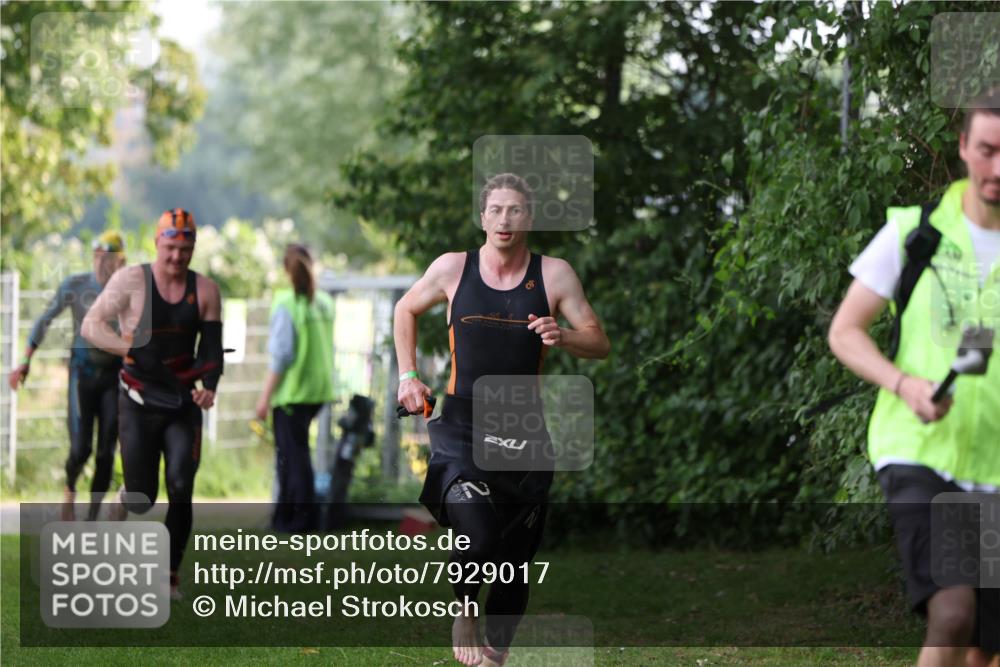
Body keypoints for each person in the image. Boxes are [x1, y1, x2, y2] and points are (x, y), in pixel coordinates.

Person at [395, 173, 610, 667]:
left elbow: (598, 341)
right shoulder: (453, 269)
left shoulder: (554, 275)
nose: (505, 219)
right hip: (462, 425)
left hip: (525, 431)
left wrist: (564, 336)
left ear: (529, 218)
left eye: (515, 210)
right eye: (496, 210)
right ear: (482, 216)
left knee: (513, 564)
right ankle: (466, 608)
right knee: (480, 532)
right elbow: (405, 309)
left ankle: (495, 656)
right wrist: (408, 376)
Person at [829, 88, 1000, 667]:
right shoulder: (915, 232)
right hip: (920, 447)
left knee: (987, 646)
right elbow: (845, 331)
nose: (997, 168)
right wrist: (905, 385)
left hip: (996, 464)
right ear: (962, 148)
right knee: (953, 615)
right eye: (987, 150)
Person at [82, 209, 223, 600]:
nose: (178, 257)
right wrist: (130, 347)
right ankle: (126, 496)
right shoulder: (131, 280)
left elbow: (211, 348)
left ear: (193, 247)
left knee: (181, 485)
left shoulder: (207, 290)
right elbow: (91, 326)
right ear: (157, 244)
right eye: (171, 248)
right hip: (138, 399)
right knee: (144, 498)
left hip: (181, 402)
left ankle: (168, 574)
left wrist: (209, 385)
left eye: (186, 248)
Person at [8, 230, 127, 521]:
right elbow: (45, 319)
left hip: (113, 379)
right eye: (98, 256)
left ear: (120, 261)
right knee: (81, 448)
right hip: (82, 376)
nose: (102, 262)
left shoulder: (128, 292)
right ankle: (69, 490)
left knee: (105, 454)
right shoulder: (75, 286)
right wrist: (25, 361)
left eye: (109, 257)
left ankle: (91, 520)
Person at [255, 244, 334, 533]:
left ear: (286, 270)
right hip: (318, 390)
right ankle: (290, 518)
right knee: (298, 453)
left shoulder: (286, 303)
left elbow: (281, 354)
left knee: (292, 458)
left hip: (293, 392)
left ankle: (297, 521)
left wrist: (264, 398)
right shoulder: (324, 301)